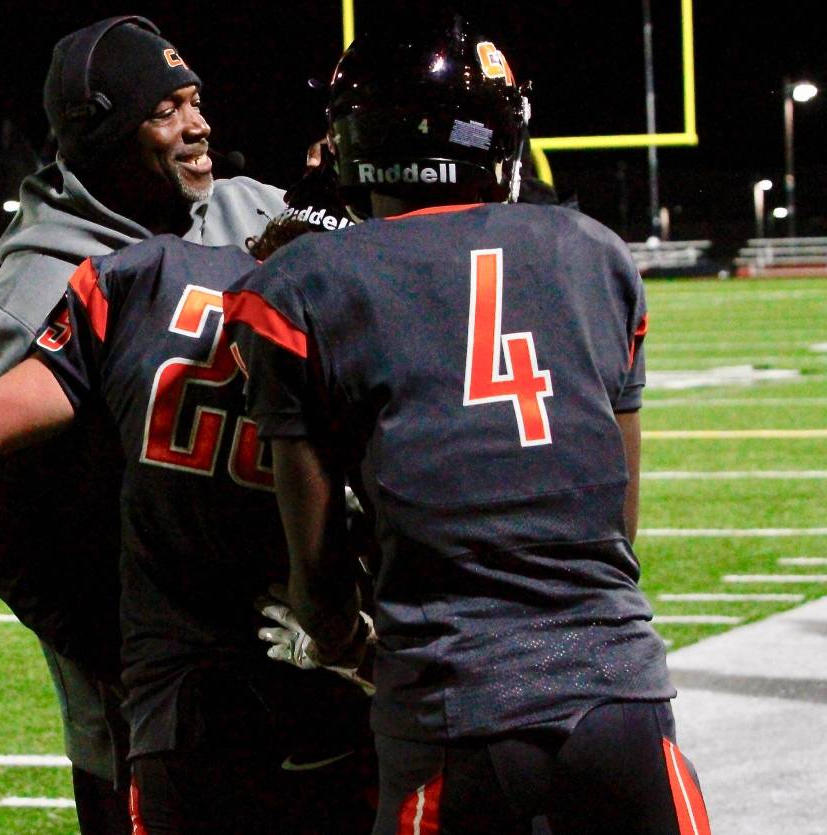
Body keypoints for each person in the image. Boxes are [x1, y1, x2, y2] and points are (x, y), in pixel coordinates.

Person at [224, 16, 712, 835]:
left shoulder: (298, 284)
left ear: (350, 139)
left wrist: (348, 648)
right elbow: (615, 528)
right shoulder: (597, 254)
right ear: (502, 142)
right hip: (623, 704)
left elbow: (320, 579)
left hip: (453, 717)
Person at [0, 170, 377, 833]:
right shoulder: (373, 320)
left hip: (177, 708)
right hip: (323, 702)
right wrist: (360, 644)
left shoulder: (144, 273)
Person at [0, 15, 284, 833]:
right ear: (103, 135)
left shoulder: (253, 216)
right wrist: (126, 654)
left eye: (196, 100)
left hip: (288, 682)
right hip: (147, 719)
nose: (199, 124)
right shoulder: (35, 298)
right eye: (167, 109)